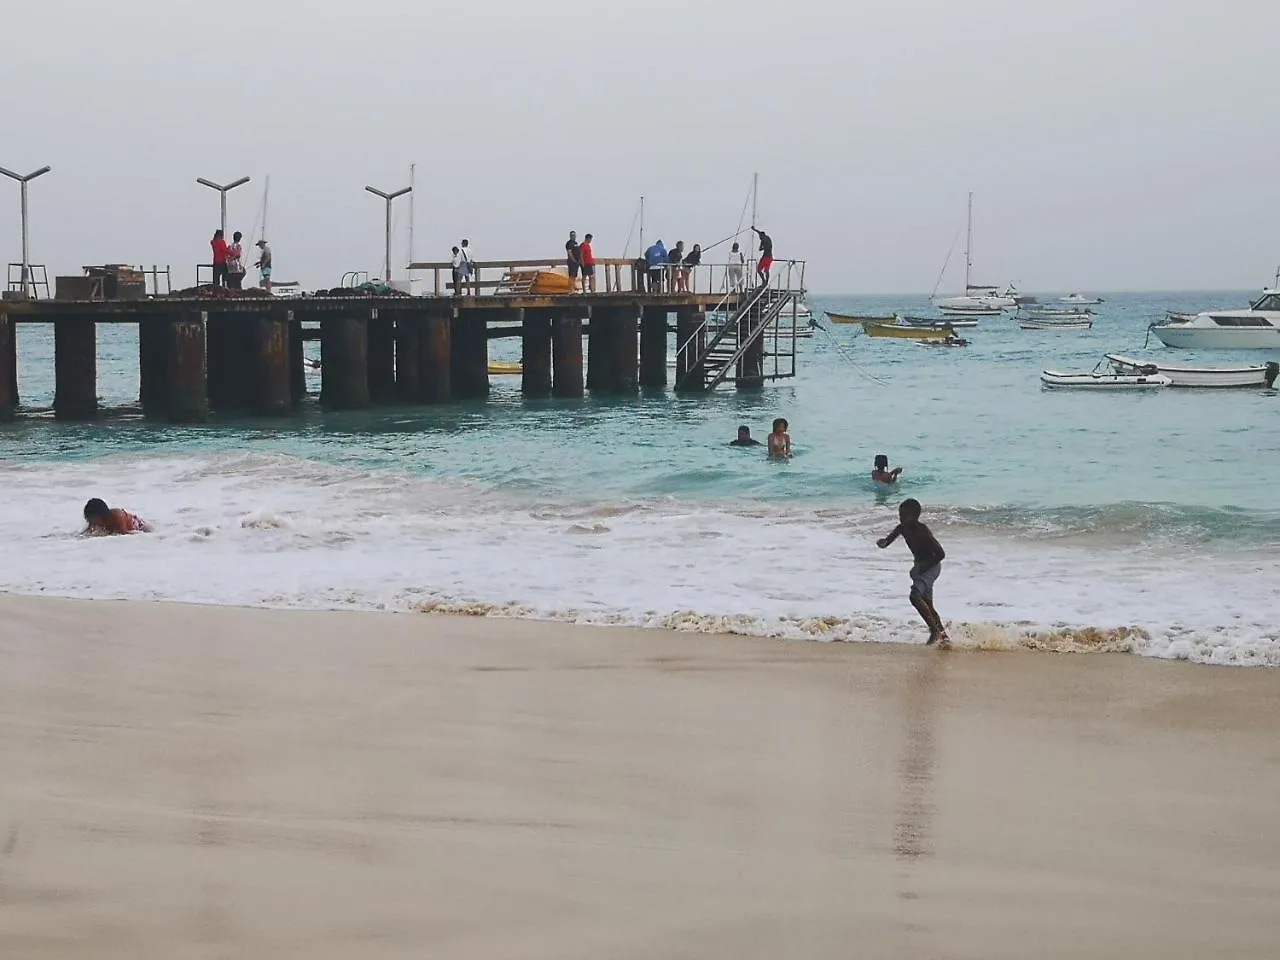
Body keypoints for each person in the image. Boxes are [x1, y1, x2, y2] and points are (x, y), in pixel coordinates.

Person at [877, 498, 948, 646]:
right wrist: (883, 543)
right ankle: (944, 638)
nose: (900, 518)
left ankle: (934, 631)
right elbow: (888, 540)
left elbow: (941, 554)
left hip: (932, 566)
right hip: (920, 566)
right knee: (927, 604)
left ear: (914, 517)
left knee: (915, 596)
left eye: (903, 516)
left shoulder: (923, 531)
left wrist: (923, 567)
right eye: (899, 515)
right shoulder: (902, 528)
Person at [83, 498, 151, 535]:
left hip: (138, 525)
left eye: (93, 520)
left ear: (101, 515)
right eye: (89, 520)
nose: (92, 523)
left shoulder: (117, 517)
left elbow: (124, 535)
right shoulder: (95, 519)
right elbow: (87, 533)